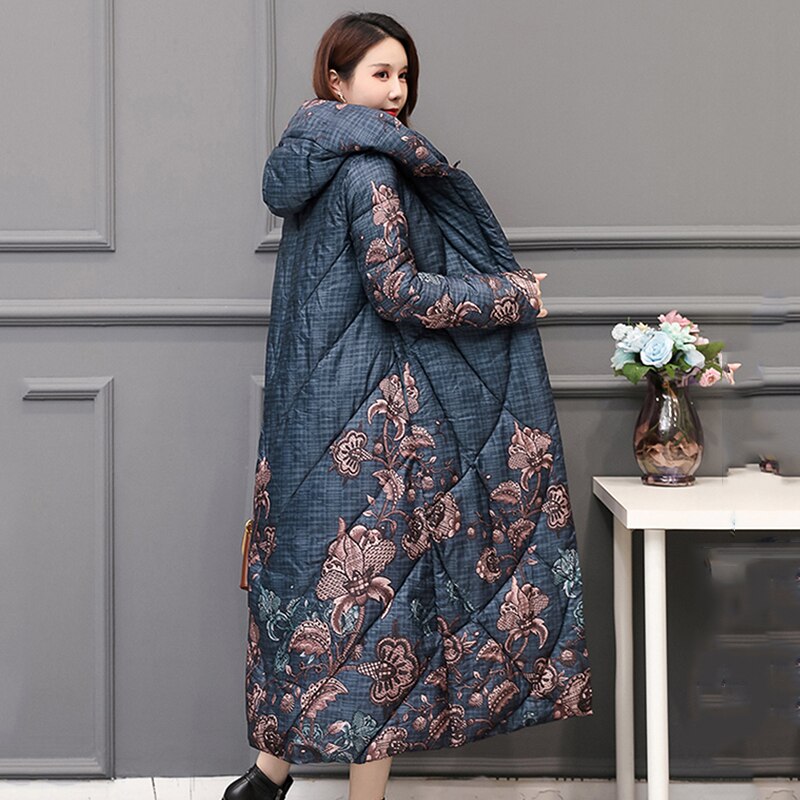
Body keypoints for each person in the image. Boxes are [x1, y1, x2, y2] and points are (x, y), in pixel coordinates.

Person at [223, 11, 592, 800]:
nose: (396, 91)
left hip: (307, 422)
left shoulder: (310, 162)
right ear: (337, 83)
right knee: (378, 623)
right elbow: (396, 292)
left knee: (309, 601)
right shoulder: (370, 171)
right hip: (372, 430)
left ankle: (264, 779)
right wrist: (509, 295)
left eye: (403, 75)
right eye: (379, 74)